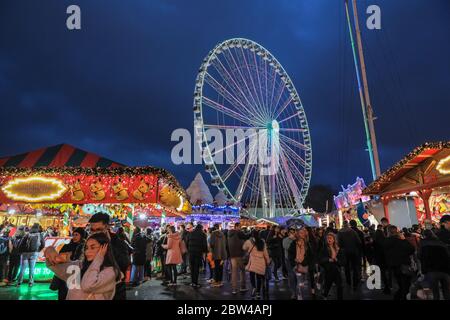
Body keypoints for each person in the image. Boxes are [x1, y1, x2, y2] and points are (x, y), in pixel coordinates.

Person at [44, 232, 122, 300]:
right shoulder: (79, 266)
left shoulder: (110, 271)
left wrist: (98, 260)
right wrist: (50, 251)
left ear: (104, 248)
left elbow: (87, 285)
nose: (87, 251)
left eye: (93, 247)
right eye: (86, 248)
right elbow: (52, 265)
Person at [88, 213, 130, 300]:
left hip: (114, 288)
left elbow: (124, 263)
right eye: (92, 229)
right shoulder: (87, 242)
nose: (95, 232)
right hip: (93, 289)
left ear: (107, 227)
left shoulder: (118, 242)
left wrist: (109, 246)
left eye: (98, 229)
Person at [50, 227, 86, 299]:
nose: (74, 237)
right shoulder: (66, 246)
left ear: (81, 236)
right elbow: (59, 258)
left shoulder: (84, 247)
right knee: (62, 294)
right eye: (73, 235)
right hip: (64, 274)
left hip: (75, 274)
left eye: (77, 235)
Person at [383, 225, 415, 300]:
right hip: (404, 266)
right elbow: (411, 249)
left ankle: (398, 296)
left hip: (392, 267)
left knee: (398, 285)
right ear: (397, 232)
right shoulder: (400, 241)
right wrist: (404, 240)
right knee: (406, 285)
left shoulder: (385, 242)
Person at [418, 229, 450, 300]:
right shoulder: (441, 243)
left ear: (424, 235)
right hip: (445, 269)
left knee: (435, 293)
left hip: (431, 270)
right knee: (447, 292)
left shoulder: (423, 243)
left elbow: (419, 256)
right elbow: (448, 255)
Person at [243, 229, 270, 300]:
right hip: (261, 262)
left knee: (252, 275)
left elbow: (244, 248)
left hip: (253, 262)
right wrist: (268, 261)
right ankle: (258, 292)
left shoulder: (249, 241)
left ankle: (254, 287)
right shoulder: (262, 241)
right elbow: (265, 253)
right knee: (259, 278)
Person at [319, 232, 344, 300]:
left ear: (334, 239)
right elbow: (320, 260)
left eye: (330, 238)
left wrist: (336, 260)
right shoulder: (324, 249)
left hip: (336, 271)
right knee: (328, 285)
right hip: (328, 270)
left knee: (339, 286)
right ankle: (324, 295)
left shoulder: (338, 249)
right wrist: (328, 259)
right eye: (327, 238)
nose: (329, 240)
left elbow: (342, 262)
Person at [338, 221, 362, 290]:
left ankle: (348, 282)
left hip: (344, 252)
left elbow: (338, 243)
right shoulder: (353, 232)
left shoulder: (340, 232)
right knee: (354, 267)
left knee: (347, 267)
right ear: (348, 225)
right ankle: (355, 283)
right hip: (354, 252)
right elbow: (359, 241)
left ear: (343, 225)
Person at [288, 227, 311, 300]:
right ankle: (299, 296)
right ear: (298, 234)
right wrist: (294, 263)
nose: (302, 234)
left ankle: (300, 294)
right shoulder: (294, 243)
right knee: (300, 281)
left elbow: (310, 254)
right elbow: (290, 255)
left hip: (305, 265)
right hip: (297, 265)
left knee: (303, 282)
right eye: (301, 233)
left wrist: (306, 262)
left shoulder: (307, 243)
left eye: (304, 232)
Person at [227, 222, 249, 294]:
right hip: (239, 254)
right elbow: (246, 237)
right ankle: (243, 287)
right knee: (242, 270)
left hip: (232, 255)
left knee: (234, 271)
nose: (240, 228)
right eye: (239, 227)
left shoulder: (229, 234)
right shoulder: (238, 233)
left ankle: (234, 289)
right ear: (236, 227)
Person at [186, 224, 208, 288]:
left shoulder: (190, 233)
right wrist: (204, 252)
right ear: (201, 228)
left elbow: (187, 242)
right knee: (196, 268)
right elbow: (205, 245)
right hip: (198, 253)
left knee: (192, 267)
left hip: (191, 253)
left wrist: (189, 249)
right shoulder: (203, 234)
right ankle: (195, 282)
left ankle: (192, 282)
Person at [282, 228, 297, 299]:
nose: (292, 233)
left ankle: (298, 290)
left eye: (293, 232)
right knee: (291, 275)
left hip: (297, 260)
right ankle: (293, 292)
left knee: (297, 276)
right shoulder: (285, 240)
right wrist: (293, 241)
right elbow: (287, 248)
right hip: (288, 259)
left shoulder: (297, 239)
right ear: (288, 233)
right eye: (291, 232)